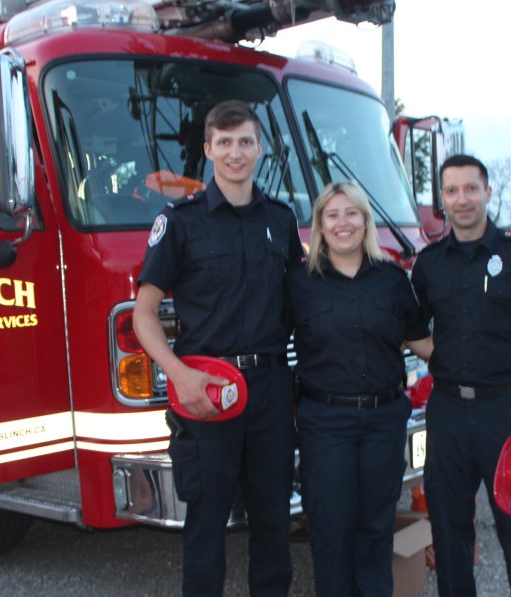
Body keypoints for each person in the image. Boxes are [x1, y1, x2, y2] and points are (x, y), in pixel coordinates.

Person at [133, 99, 304, 596]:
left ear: (259, 149)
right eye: (225, 143)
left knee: (274, 523)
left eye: (245, 142)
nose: (236, 153)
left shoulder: (282, 219)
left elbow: (302, 304)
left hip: (271, 390)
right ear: (208, 150)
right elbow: (144, 314)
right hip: (205, 389)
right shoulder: (181, 222)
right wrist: (178, 375)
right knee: (205, 528)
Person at [410, 154, 511, 596]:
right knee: (449, 532)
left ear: (488, 193)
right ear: (441, 200)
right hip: (446, 413)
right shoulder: (429, 264)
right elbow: (411, 329)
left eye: (471, 188)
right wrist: (441, 358)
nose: (462, 199)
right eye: (452, 191)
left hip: (507, 411)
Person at [287, 181, 432, 596]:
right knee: (331, 527)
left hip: (384, 421)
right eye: (332, 215)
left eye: (351, 213)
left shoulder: (390, 278)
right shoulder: (299, 282)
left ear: (365, 220)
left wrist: (481, 359)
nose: (342, 223)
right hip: (325, 423)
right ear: (319, 225)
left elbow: (422, 342)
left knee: (376, 525)